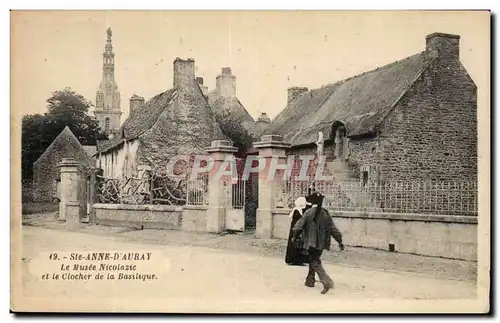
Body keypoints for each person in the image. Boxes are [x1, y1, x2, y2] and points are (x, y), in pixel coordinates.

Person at [292, 192, 344, 294]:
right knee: (314, 260)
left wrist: (294, 238)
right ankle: (310, 280)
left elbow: (298, 226)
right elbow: (333, 229)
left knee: (315, 262)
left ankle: (326, 281)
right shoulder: (325, 213)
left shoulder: (308, 212)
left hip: (310, 243)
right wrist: (339, 241)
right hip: (321, 244)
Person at [285, 197, 312, 266]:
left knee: (299, 244)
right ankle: (295, 260)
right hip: (296, 230)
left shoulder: (299, 210)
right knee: (296, 244)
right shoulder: (297, 210)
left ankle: (299, 260)